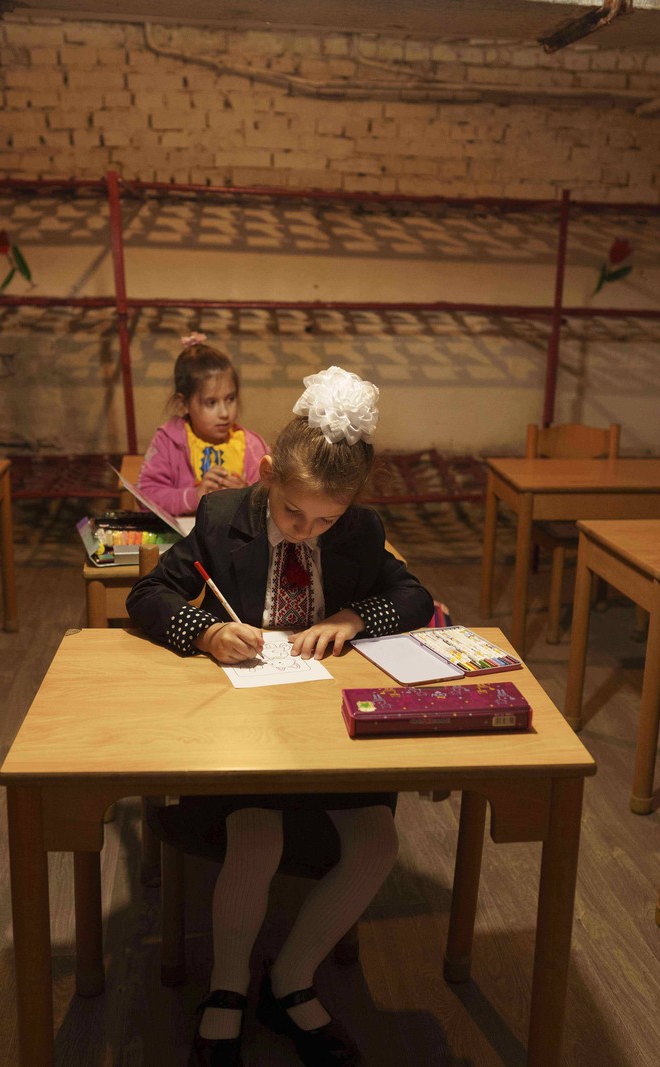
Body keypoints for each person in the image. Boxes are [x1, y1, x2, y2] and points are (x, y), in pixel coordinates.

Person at [129, 367, 432, 1067]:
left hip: (330, 728)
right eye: (295, 514)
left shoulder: (359, 532)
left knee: (377, 841)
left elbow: (413, 597)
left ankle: (291, 977)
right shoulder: (221, 518)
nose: (306, 531)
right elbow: (147, 594)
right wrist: (203, 632)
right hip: (247, 726)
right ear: (267, 476)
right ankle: (229, 986)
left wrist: (356, 616)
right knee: (256, 835)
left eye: (325, 520)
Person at [137, 333, 269, 516]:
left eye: (230, 399)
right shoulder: (168, 441)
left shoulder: (252, 446)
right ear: (184, 404)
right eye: (211, 403)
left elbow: (273, 497)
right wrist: (195, 496)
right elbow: (145, 495)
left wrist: (248, 495)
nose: (224, 413)